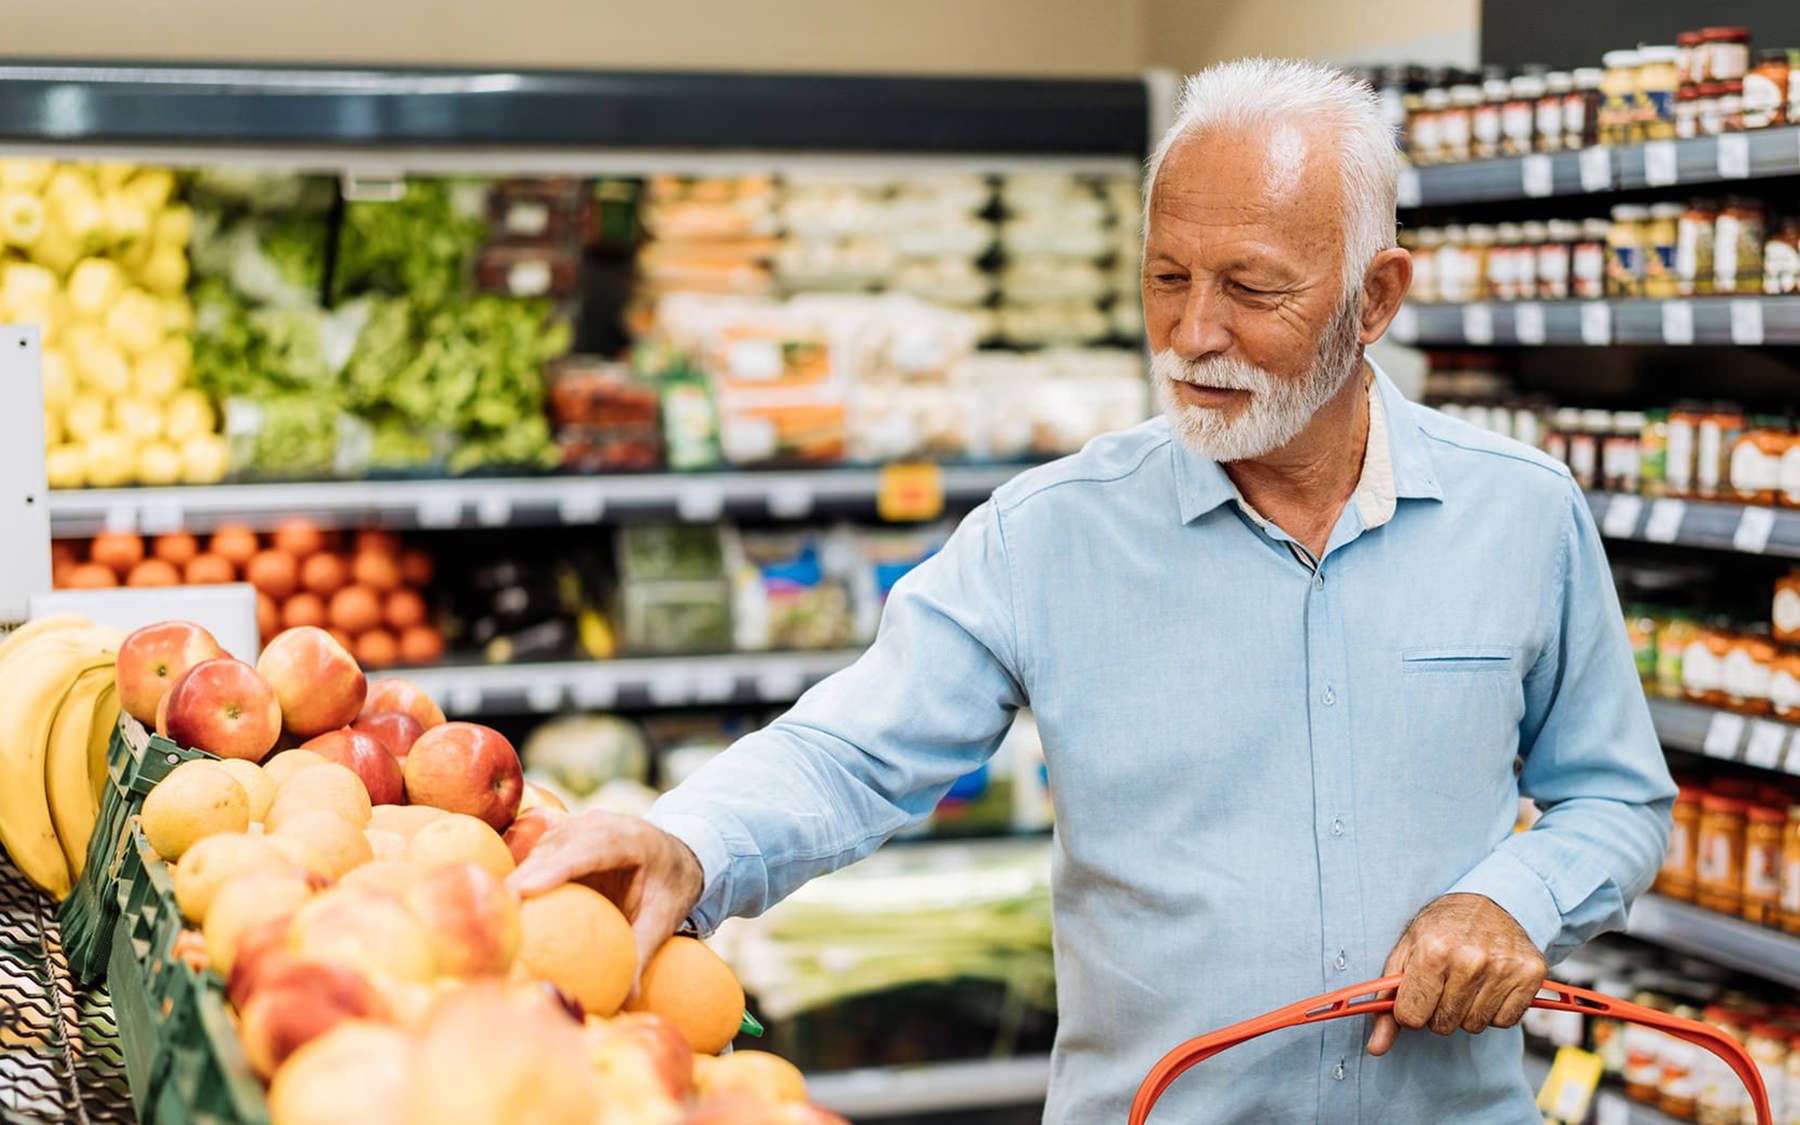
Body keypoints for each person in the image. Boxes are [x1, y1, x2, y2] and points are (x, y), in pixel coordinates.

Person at [511, 57, 1675, 1122]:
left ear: (1375, 299)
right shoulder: (1049, 532)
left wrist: (1514, 900)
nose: (1192, 331)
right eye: (1166, 276)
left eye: (1252, 289)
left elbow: (1615, 799)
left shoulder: (1520, 514)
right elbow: (854, 752)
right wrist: (689, 844)